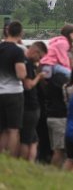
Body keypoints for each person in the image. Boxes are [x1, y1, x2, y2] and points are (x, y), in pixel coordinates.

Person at [0, 20, 27, 155]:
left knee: (3, 128)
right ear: (20, 33)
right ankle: (10, 156)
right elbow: (20, 74)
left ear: (7, 31)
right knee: (13, 129)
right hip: (13, 93)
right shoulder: (17, 51)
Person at [19, 41, 47, 161]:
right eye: (39, 57)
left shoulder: (23, 60)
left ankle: (30, 162)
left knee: (33, 138)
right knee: (27, 139)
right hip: (30, 106)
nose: (38, 60)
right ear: (35, 51)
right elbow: (28, 85)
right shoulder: (28, 64)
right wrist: (39, 77)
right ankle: (25, 162)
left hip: (29, 105)